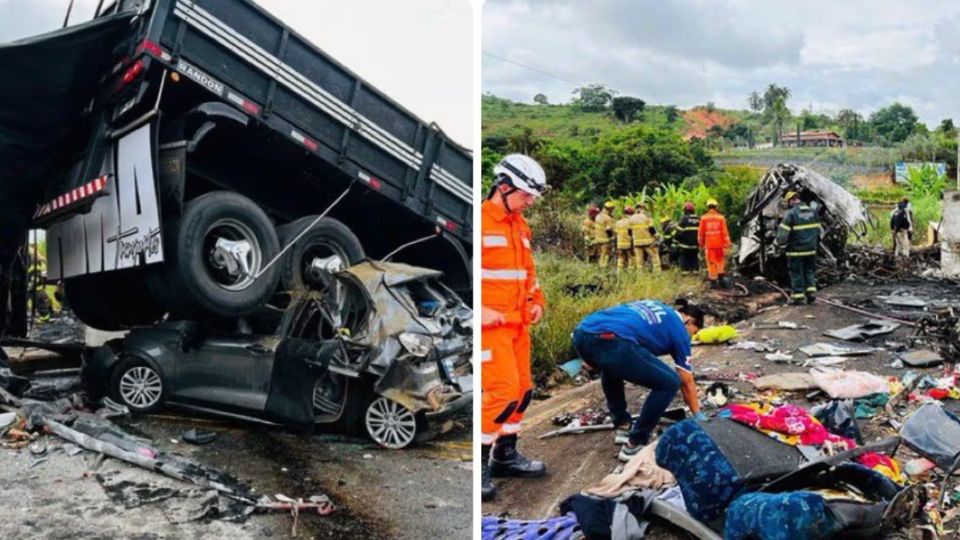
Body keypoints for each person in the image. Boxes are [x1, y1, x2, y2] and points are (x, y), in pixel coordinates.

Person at [481, 154, 548, 502]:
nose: (530, 202)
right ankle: (479, 468)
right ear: (503, 187)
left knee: (523, 390)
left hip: (518, 326)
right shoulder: (479, 222)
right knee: (501, 392)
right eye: (526, 195)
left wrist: (537, 302)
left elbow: (528, 273)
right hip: (490, 329)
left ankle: (505, 455)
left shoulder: (519, 225)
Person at [572, 299, 704, 462]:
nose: (691, 336)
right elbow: (686, 381)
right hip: (612, 340)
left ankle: (622, 426)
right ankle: (635, 443)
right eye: (694, 331)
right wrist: (698, 415)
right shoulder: (680, 331)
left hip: (582, 333)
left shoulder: (656, 305)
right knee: (669, 383)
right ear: (690, 321)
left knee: (612, 366)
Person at [775, 191, 821, 305]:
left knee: (797, 272)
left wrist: (778, 244)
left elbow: (782, 236)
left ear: (791, 201)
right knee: (809, 271)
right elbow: (819, 231)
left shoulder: (791, 214)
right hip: (811, 249)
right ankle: (811, 293)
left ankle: (798, 297)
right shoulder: (813, 212)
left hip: (796, 251)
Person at [698, 198, 731, 288]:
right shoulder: (721, 217)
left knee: (711, 262)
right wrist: (727, 243)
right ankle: (721, 280)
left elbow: (701, 233)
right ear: (716, 206)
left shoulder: (703, 218)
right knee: (720, 261)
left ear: (708, 207)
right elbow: (725, 232)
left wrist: (701, 244)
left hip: (709, 245)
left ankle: (713, 282)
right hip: (720, 245)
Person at [630, 203, 660, 273]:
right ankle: (657, 273)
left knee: (639, 260)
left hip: (637, 242)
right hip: (648, 242)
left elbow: (629, 232)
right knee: (654, 257)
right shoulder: (647, 217)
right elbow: (651, 228)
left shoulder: (631, 218)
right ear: (643, 208)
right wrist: (656, 235)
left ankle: (640, 275)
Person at [675, 202, 700, 275]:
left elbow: (678, 232)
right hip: (696, 244)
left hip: (684, 245)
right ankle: (695, 271)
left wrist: (676, 241)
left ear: (685, 210)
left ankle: (685, 272)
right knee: (695, 258)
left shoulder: (684, 219)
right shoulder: (698, 219)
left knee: (684, 258)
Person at [594, 201, 616, 268]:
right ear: (610, 209)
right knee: (605, 255)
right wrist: (612, 236)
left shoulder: (598, 216)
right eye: (612, 209)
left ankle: (600, 266)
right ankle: (603, 269)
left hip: (597, 238)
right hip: (605, 240)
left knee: (600, 255)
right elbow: (608, 229)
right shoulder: (608, 218)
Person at [614, 206, 635, 272]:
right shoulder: (631, 221)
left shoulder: (618, 222)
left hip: (620, 244)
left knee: (621, 258)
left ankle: (619, 272)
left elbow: (616, 233)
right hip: (629, 243)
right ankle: (630, 272)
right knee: (631, 258)